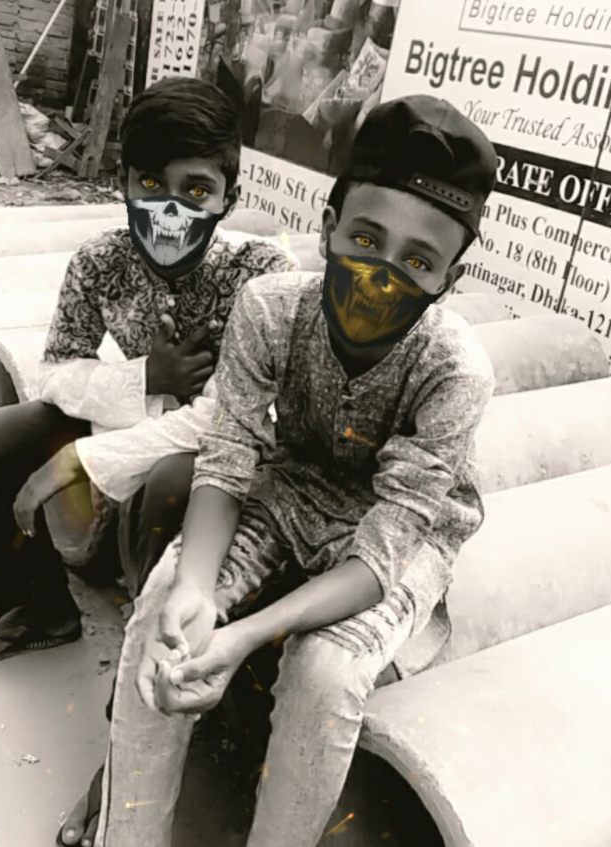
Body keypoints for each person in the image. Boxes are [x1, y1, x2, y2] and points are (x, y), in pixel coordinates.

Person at [88, 93, 499, 847]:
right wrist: (196, 590)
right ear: (329, 226)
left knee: (323, 673)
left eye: (417, 261)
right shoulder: (269, 310)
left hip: (402, 537)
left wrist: (244, 634)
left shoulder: (455, 370)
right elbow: (228, 460)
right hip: (292, 489)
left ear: (449, 277)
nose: (381, 276)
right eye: (366, 239)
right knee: (163, 611)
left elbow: (384, 552)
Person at [0, 75, 296, 667]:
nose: (170, 209)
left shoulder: (259, 274)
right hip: (132, 421)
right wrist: (147, 378)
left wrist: (81, 459)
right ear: (122, 182)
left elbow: (232, 420)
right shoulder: (101, 260)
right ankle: (37, 605)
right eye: (151, 184)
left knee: (170, 483)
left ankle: (157, 668)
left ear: (229, 197)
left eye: (196, 189)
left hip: (225, 459)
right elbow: (57, 370)